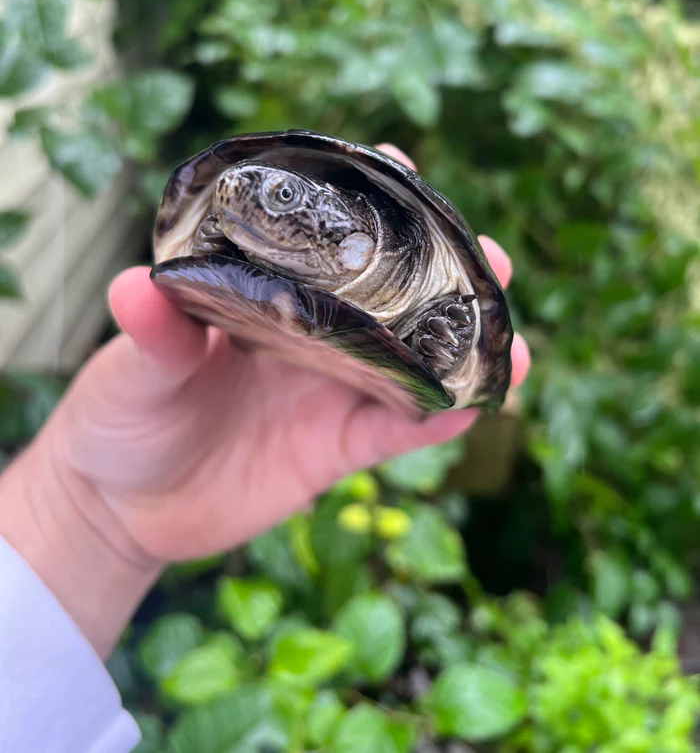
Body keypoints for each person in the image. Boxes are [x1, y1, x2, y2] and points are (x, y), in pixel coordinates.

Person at [0, 144, 530, 753]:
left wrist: (85, 508)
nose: (237, 195)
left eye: (283, 196)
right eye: (232, 191)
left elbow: (467, 357)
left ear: (358, 233)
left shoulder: (430, 278)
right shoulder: (232, 215)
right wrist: (87, 505)